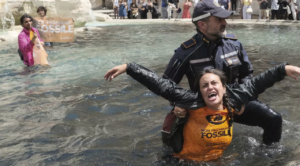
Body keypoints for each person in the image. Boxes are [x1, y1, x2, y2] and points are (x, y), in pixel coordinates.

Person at [104, 62, 300, 161]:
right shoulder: (192, 101)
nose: (209, 88)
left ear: (224, 87)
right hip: (183, 162)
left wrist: (283, 68)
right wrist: (129, 68)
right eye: (204, 85)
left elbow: (259, 82)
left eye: (214, 83)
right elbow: (162, 85)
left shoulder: (234, 99)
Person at [162, 0, 283, 154]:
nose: (224, 23)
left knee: (274, 119)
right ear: (202, 25)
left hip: (234, 102)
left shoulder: (234, 44)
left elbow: (246, 74)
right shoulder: (186, 52)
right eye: (219, 19)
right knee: (177, 146)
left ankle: (269, 157)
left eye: (224, 19)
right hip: (201, 107)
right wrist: (177, 103)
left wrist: (244, 99)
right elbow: (166, 84)